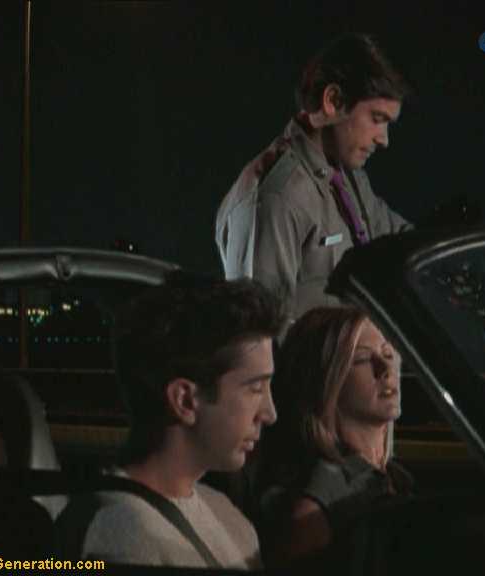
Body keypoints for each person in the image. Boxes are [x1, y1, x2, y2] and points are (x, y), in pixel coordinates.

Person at [56, 272, 283, 569]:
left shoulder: (227, 515)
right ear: (185, 400)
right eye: (255, 388)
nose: (270, 413)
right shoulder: (122, 538)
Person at [216, 33, 412, 327]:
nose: (383, 140)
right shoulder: (278, 196)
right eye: (377, 118)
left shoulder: (348, 176)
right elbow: (260, 336)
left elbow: (397, 238)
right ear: (333, 101)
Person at [257, 306, 414, 567]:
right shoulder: (315, 506)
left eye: (388, 353)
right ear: (325, 378)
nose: (385, 367)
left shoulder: (393, 478)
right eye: (362, 358)